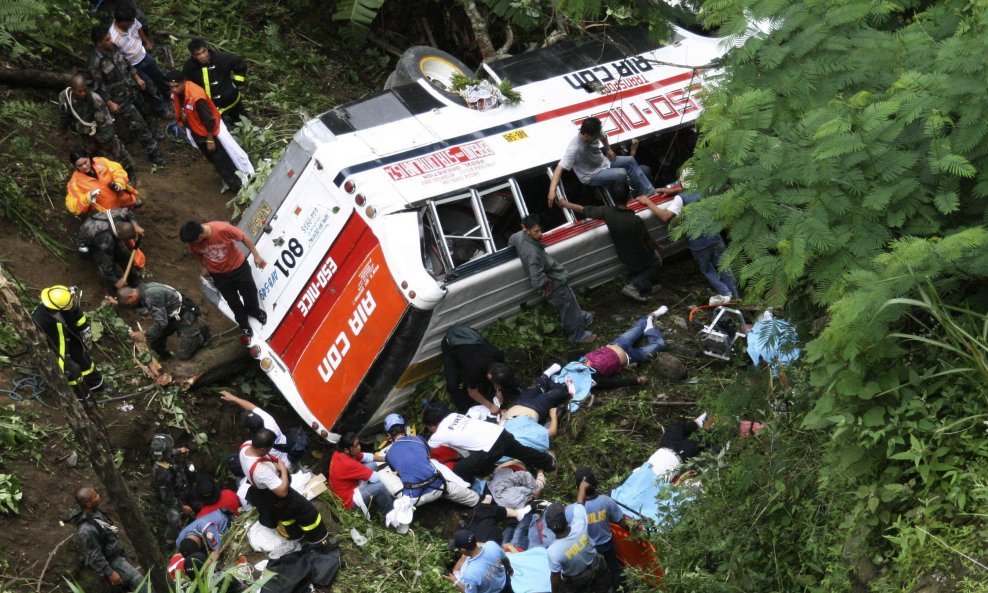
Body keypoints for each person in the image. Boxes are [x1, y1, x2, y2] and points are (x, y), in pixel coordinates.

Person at [639, 173, 740, 305]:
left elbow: (665, 216)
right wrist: (675, 190)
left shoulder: (680, 199)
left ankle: (726, 294)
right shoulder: (705, 189)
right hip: (715, 237)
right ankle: (737, 297)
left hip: (699, 243)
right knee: (725, 267)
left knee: (708, 269)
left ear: (681, 184)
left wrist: (648, 202)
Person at [553, 186, 663, 302]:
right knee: (656, 262)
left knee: (640, 269)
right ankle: (634, 286)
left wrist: (565, 203)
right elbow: (648, 240)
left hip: (624, 256)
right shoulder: (634, 219)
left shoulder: (607, 212)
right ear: (627, 198)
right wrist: (658, 247)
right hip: (640, 256)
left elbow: (583, 210)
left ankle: (646, 286)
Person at [88, 22, 166, 166]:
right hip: (120, 99)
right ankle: (154, 154)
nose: (110, 41)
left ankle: (155, 133)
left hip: (131, 88)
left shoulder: (114, 48)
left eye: (110, 37)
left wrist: (137, 77)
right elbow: (98, 86)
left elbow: (126, 63)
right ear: (98, 43)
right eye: (107, 39)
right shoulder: (95, 62)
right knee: (139, 125)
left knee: (145, 113)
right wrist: (109, 102)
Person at [509, 215, 595, 344]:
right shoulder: (533, 252)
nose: (540, 234)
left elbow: (510, 242)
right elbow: (536, 280)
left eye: (540, 230)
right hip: (556, 286)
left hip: (557, 282)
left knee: (571, 302)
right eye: (536, 231)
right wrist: (547, 281)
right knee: (568, 310)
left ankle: (584, 317)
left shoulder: (518, 237)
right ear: (526, 230)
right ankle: (578, 336)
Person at [239, 429, 330, 547]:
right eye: (270, 447)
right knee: (308, 513)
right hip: (276, 495)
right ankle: (318, 539)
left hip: (264, 493)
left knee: (286, 516)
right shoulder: (260, 469)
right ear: (262, 449)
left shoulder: (246, 446)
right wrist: (282, 469)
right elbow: (282, 492)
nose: (271, 450)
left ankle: (297, 536)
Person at [166, 70, 253, 193]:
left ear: (184, 83)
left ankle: (239, 187)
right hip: (196, 129)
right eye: (171, 87)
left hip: (208, 132)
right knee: (214, 160)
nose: (174, 90)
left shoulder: (196, 96)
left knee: (222, 160)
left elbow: (209, 120)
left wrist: (210, 140)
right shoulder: (178, 93)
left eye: (176, 86)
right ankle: (230, 181)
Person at [179, 220, 267, 336]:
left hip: (239, 267)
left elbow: (243, 237)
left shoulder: (222, 229)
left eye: (194, 242)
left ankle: (254, 311)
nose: (192, 245)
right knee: (232, 301)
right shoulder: (193, 242)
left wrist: (256, 255)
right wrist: (202, 267)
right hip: (219, 275)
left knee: (249, 292)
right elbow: (197, 254)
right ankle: (243, 322)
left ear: (200, 236)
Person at [423, 407, 555, 482]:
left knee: (460, 469)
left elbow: (425, 448)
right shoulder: (454, 415)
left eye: (429, 428)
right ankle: (549, 462)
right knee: (524, 452)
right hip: (501, 434)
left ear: (433, 426)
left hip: (489, 449)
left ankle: (474, 489)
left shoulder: (438, 434)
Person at [547, 116, 655, 204]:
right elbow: (559, 169)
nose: (598, 135)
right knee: (621, 173)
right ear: (586, 135)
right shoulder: (574, 148)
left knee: (630, 160)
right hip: (591, 175)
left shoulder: (596, 131)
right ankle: (626, 201)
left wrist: (608, 149)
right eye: (596, 135)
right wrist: (552, 191)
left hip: (603, 162)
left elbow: (603, 137)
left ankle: (649, 192)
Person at [382, 414, 479, 509]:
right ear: (405, 427)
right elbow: (427, 455)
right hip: (439, 488)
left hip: (414, 500)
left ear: (389, 435)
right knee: (475, 499)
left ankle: (404, 515)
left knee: (383, 475)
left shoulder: (389, 455)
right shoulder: (418, 439)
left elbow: (397, 471)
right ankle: (476, 499)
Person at [69, 487, 148, 593]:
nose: (99, 496)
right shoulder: (86, 530)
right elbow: (94, 554)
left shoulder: (94, 512)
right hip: (112, 561)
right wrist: (110, 572)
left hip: (117, 553)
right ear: (88, 504)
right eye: (95, 496)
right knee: (139, 582)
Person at [58, 73, 138, 179]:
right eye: (79, 91)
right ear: (73, 90)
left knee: (117, 152)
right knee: (93, 157)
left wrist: (102, 139)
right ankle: (101, 178)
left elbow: (107, 122)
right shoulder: (65, 97)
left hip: (102, 129)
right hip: (85, 132)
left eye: (85, 90)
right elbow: (64, 115)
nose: (83, 93)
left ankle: (130, 173)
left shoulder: (95, 99)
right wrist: (64, 131)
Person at [108, 282, 211, 361]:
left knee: (184, 356)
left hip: (184, 316)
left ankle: (202, 335)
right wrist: (118, 303)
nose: (129, 306)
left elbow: (161, 323)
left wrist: (144, 333)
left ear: (131, 296)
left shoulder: (150, 296)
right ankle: (167, 357)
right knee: (154, 338)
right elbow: (139, 304)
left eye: (128, 304)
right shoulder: (140, 290)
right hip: (169, 315)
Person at [32, 285, 104, 391]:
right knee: (72, 372)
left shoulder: (69, 306)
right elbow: (45, 341)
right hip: (57, 348)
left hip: (73, 340)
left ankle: (97, 385)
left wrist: (85, 335)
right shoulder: (40, 319)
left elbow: (80, 321)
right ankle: (81, 395)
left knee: (84, 362)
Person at [545, 478, 610, 593]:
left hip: (577, 579)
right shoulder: (579, 524)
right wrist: (582, 485)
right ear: (566, 519)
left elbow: (555, 578)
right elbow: (580, 501)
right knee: (604, 587)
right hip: (597, 565)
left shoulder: (553, 552)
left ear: (549, 528)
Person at [569, 468, 629, 592]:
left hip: (588, 551)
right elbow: (622, 522)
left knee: (597, 578)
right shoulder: (606, 501)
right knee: (614, 571)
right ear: (596, 484)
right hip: (606, 545)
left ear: (578, 488)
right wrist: (634, 528)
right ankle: (619, 588)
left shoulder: (572, 510)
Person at [109, 5, 171, 117]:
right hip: (134, 66)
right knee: (148, 89)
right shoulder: (113, 38)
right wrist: (136, 76)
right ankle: (162, 111)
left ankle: (170, 96)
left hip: (144, 55)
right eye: (130, 22)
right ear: (122, 22)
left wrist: (146, 42)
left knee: (160, 77)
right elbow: (120, 60)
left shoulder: (132, 21)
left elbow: (139, 28)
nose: (133, 22)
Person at [441, 325, 514, 414]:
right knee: (453, 384)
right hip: (451, 343)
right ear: (489, 375)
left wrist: (498, 391)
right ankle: (466, 411)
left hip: (471, 342)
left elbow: (497, 379)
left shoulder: (498, 355)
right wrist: (490, 406)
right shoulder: (473, 368)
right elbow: (472, 392)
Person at [328, 432, 395, 518]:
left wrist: (387, 459)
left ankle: (377, 498)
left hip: (344, 490)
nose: (359, 447)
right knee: (380, 487)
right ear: (347, 449)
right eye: (356, 446)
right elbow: (375, 478)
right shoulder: (348, 463)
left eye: (359, 443)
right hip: (347, 502)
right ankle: (390, 516)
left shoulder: (340, 453)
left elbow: (367, 457)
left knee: (372, 465)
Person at [182, 38, 248, 124]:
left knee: (244, 124)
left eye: (204, 51)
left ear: (207, 49)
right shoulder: (189, 67)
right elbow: (188, 86)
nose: (202, 56)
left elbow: (239, 63)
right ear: (193, 56)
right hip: (209, 106)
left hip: (232, 100)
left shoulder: (222, 58)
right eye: (198, 54)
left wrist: (236, 83)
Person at [76, 208, 145, 290]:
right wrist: (115, 281)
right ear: (120, 236)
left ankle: (134, 280)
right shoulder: (105, 240)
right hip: (90, 245)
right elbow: (106, 264)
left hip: (105, 231)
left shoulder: (119, 215)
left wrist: (135, 224)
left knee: (125, 256)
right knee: (111, 265)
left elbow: (128, 211)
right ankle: (118, 288)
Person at [219, 391, 293, 466]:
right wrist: (233, 398)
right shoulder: (268, 420)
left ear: (248, 430)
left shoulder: (260, 443)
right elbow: (252, 407)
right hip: (290, 453)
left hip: (283, 465)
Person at [149, 433, 197, 545]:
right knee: (174, 519)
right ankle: (170, 542)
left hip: (179, 485)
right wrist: (182, 507)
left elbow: (169, 453)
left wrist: (179, 451)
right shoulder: (163, 474)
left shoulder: (160, 456)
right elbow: (168, 498)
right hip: (172, 495)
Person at [65, 149, 140, 216]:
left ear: (88, 157)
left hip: (125, 200)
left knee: (132, 208)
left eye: (85, 162)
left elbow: (118, 170)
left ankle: (132, 206)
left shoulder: (100, 161)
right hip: (109, 213)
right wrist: (86, 199)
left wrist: (119, 183)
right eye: (80, 165)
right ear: (75, 166)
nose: (84, 166)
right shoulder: (75, 182)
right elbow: (72, 206)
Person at [446, 529, 514, 593]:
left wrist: (455, 581)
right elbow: (505, 560)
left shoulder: (469, 574)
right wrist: (510, 570)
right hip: (506, 583)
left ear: (463, 550)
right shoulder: (492, 545)